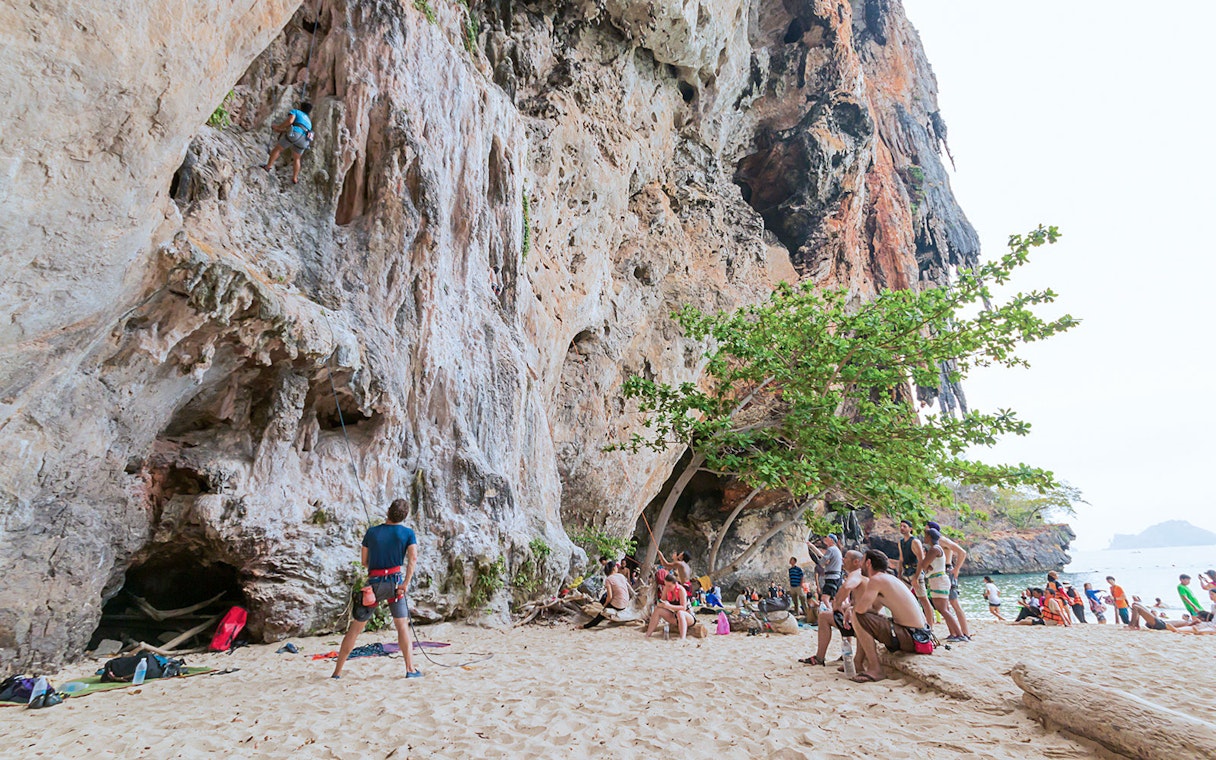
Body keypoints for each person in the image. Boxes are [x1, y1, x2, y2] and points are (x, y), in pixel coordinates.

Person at [332, 498, 420, 679]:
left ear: (388, 510)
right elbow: (413, 559)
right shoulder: (408, 533)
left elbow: (365, 562)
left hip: (373, 586)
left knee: (355, 629)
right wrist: (405, 584)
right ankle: (410, 669)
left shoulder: (371, 533)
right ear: (404, 516)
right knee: (402, 625)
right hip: (396, 585)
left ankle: (337, 672)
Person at [846, 550, 932, 683]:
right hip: (920, 636)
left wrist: (851, 610)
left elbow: (861, 610)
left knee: (857, 615)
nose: (860, 566)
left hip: (911, 636)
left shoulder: (876, 580)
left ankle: (875, 669)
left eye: (862, 561)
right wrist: (853, 608)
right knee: (858, 614)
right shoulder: (888, 579)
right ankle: (858, 662)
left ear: (868, 563)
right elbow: (874, 609)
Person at [800, 550, 865, 667]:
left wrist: (837, 605)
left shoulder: (857, 574)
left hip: (863, 622)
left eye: (845, 558)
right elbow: (856, 602)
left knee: (824, 616)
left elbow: (846, 587)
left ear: (856, 562)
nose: (842, 560)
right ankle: (845, 654)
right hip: (862, 618)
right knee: (839, 614)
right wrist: (843, 608)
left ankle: (820, 657)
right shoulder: (862, 575)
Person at [917, 528, 965, 641]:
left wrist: (924, 563)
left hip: (939, 580)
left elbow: (924, 565)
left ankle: (960, 634)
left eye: (926, 535)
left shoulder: (934, 549)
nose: (924, 537)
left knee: (943, 609)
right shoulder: (935, 549)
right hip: (936, 580)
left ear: (929, 537)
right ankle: (956, 633)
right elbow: (926, 565)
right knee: (942, 609)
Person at [926, 521, 971, 638]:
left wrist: (956, 569)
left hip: (946, 571)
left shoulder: (942, 540)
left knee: (954, 603)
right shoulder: (935, 544)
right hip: (940, 572)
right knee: (946, 606)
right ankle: (954, 633)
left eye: (926, 529)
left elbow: (962, 552)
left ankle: (965, 633)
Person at [262, 102, 315, 184]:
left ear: (301, 107)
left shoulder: (296, 112)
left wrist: (278, 127)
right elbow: (300, 129)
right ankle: (295, 178)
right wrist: (280, 130)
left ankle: (268, 166)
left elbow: (290, 122)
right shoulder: (309, 121)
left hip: (295, 134)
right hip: (304, 140)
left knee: (278, 149)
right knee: (297, 158)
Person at [895, 519, 934, 627]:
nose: (902, 528)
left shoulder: (915, 541)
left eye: (904, 526)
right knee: (902, 597)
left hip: (915, 571)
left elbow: (921, 560)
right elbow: (901, 558)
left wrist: (916, 578)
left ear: (910, 529)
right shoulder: (901, 542)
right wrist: (899, 574)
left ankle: (930, 625)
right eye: (901, 526)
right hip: (906, 573)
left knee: (923, 599)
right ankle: (909, 621)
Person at [645, 572, 696, 640]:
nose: (667, 587)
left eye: (669, 586)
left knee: (680, 613)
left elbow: (683, 607)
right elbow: (661, 602)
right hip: (675, 616)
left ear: (675, 584)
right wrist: (661, 604)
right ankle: (648, 634)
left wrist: (668, 606)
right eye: (666, 585)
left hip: (687, 616)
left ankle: (683, 638)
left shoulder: (681, 590)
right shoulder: (666, 589)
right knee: (658, 610)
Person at [584, 561, 633, 628]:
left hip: (618, 604)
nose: (617, 567)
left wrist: (604, 606)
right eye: (616, 566)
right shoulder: (621, 576)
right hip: (626, 603)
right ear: (613, 568)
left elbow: (610, 597)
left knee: (601, 613)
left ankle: (586, 626)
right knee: (606, 595)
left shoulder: (609, 579)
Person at [807, 534, 844, 606]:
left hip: (831, 577)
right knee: (833, 598)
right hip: (837, 577)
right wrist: (812, 546)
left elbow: (822, 562)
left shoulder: (831, 549)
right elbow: (824, 557)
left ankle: (830, 612)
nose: (824, 539)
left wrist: (818, 560)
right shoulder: (836, 550)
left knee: (824, 598)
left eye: (827, 537)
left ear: (831, 540)